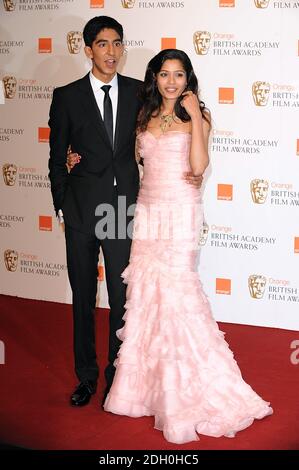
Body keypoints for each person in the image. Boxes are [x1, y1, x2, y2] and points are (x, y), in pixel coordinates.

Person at [102, 49, 273, 444]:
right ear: (155, 78)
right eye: (164, 74)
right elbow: (128, 164)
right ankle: (144, 391)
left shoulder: (200, 115)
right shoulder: (143, 115)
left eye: (179, 74)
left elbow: (198, 168)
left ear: (188, 79)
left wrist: (195, 116)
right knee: (146, 296)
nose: (171, 82)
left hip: (180, 213)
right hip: (147, 213)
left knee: (178, 294)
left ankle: (188, 391)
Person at [49, 16, 201, 408]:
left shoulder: (139, 93)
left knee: (122, 297)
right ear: (88, 50)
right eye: (102, 44)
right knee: (83, 296)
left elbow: (164, 132)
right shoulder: (66, 96)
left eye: (117, 44)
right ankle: (86, 376)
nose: (111, 52)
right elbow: (55, 157)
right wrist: (62, 204)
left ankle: (120, 376)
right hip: (81, 211)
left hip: (122, 210)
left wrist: (190, 167)